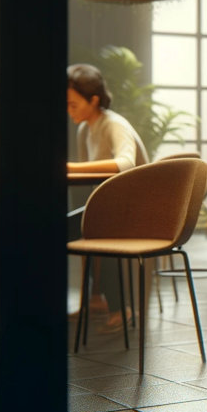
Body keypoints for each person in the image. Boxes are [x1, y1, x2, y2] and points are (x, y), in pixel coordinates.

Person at [66, 63, 150, 333]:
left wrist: (68, 168)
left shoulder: (114, 124)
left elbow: (125, 163)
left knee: (92, 225)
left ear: (94, 100)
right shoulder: (85, 130)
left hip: (138, 208)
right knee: (82, 223)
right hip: (112, 205)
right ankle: (96, 299)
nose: (69, 110)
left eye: (73, 104)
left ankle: (119, 307)